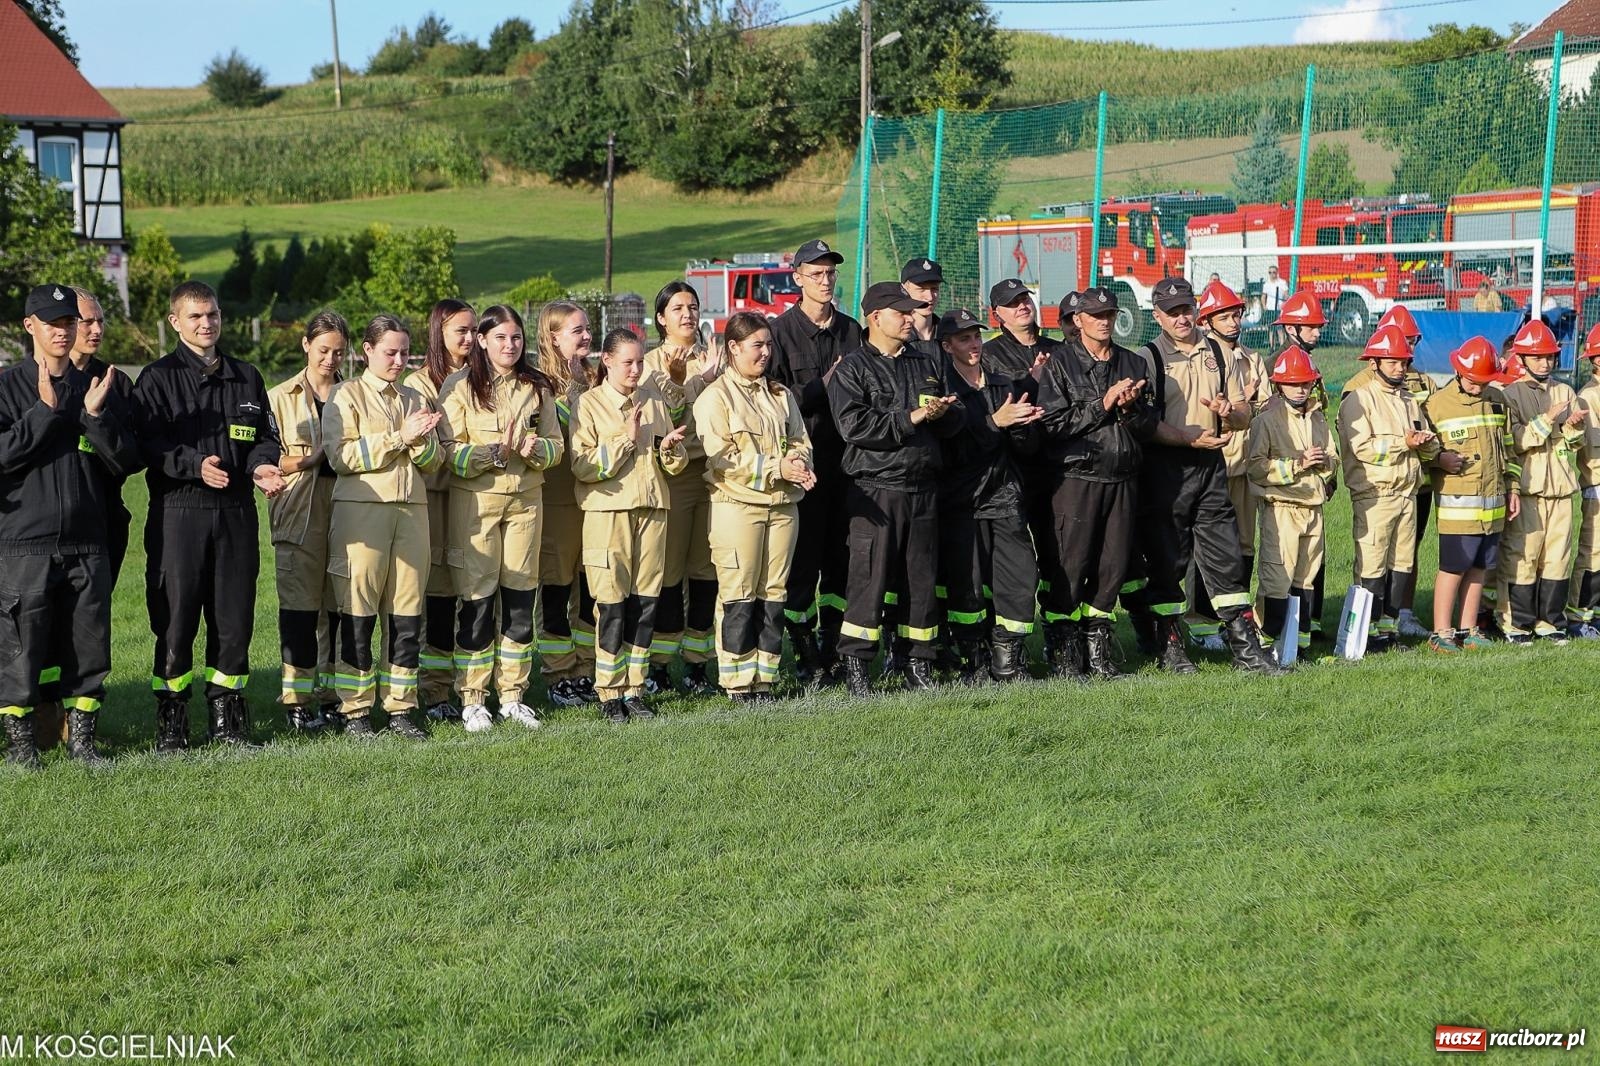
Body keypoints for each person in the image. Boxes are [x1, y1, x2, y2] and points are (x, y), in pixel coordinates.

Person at [134, 281, 285, 752]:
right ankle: (172, 723)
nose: (207, 324)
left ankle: (228, 720)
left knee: (234, 617)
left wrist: (261, 464)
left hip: (237, 513)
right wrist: (192, 466)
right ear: (176, 322)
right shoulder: (156, 379)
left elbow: (265, 435)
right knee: (175, 619)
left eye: (213, 315)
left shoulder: (247, 376)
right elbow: (146, 445)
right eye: (196, 317)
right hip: (180, 512)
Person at [0, 284, 138, 770]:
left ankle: (83, 745)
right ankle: (23, 750)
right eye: (52, 323)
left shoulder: (93, 387)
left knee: (89, 647)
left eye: (68, 322)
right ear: (29, 326)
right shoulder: (7, 387)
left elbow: (127, 462)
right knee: (20, 651)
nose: (64, 331)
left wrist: (96, 419)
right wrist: (43, 411)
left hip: (87, 539)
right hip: (23, 543)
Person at [1132, 277, 1282, 675]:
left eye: (1186, 309)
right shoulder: (1146, 358)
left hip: (1211, 466)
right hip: (1167, 470)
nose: (1182, 318)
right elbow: (1143, 422)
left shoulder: (1218, 349)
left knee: (1227, 559)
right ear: (1157, 316)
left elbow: (1242, 414)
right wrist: (1184, 438)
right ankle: (1170, 646)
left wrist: (1230, 413)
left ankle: (1246, 652)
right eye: (1172, 312)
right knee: (1169, 562)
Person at [826, 282, 964, 696]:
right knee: (867, 580)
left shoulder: (925, 361)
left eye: (912, 312)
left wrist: (942, 415)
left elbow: (952, 426)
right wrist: (915, 417)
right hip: (876, 492)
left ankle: (916, 663)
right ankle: (856, 666)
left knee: (920, 582)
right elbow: (856, 427)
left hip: (923, 488)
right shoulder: (852, 369)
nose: (911, 319)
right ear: (875, 318)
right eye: (901, 313)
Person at [1017, 287, 1157, 679]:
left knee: (1112, 567)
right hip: (1076, 479)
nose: (1104, 321)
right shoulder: (1059, 365)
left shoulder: (1133, 362)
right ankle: (1064, 649)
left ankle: (1099, 648)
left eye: (1109, 314)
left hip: (1123, 477)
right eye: (1095, 315)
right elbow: (1053, 424)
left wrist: (1130, 409)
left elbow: (1149, 426)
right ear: (1077, 321)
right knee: (1070, 565)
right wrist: (1103, 404)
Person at [439, 305, 563, 732]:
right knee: (476, 601)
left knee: (518, 600)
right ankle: (472, 698)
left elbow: (556, 446)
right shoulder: (459, 387)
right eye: (500, 338)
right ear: (482, 341)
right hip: (477, 506)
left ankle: (513, 695)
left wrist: (534, 451)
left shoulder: (536, 386)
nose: (510, 346)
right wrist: (488, 454)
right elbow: (449, 450)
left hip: (526, 503)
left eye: (516, 338)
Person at [322, 314, 444, 738]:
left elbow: (434, 463)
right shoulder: (346, 394)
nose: (397, 360)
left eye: (404, 353)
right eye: (389, 352)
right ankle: (354, 710)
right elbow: (340, 457)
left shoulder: (414, 398)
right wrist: (399, 438)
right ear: (366, 351)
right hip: (363, 511)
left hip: (412, 511)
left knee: (407, 613)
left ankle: (401, 708)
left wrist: (425, 444)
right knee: (359, 610)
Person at [693, 312, 816, 702]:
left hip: (782, 507)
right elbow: (722, 457)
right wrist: (776, 467)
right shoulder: (715, 398)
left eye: (768, 344)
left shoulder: (780, 394)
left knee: (774, 594)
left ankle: (765, 678)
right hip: (737, 507)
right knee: (739, 595)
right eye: (756, 345)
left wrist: (799, 464)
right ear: (733, 348)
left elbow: (800, 439)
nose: (766, 352)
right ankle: (736, 681)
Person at [569, 329, 689, 723]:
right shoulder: (589, 404)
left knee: (645, 603)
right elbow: (583, 466)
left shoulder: (653, 400)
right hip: (609, 515)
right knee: (611, 605)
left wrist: (671, 451)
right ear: (606, 360)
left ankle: (635, 688)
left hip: (653, 509)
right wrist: (624, 440)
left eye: (640, 362)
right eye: (628, 362)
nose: (636, 370)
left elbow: (666, 462)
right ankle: (608, 692)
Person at [765, 240, 861, 684]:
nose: (825, 281)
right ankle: (804, 653)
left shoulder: (851, 330)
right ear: (797, 277)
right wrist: (823, 385)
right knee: (802, 567)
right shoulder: (780, 334)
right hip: (804, 468)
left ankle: (835, 648)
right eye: (816, 274)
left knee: (842, 562)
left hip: (848, 466)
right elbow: (776, 406)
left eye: (830, 273)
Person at [937, 307, 1044, 682]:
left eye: (977, 336)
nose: (974, 344)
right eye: (964, 338)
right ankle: (974, 660)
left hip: (1005, 497)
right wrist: (995, 423)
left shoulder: (1004, 383)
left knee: (1019, 580)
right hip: (961, 501)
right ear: (947, 345)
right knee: (966, 589)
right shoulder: (943, 390)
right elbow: (952, 449)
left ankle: (1008, 659)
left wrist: (1024, 427)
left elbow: (1027, 449)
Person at [1335, 323, 1440, 650]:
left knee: (1401, 565)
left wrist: (1427, 445)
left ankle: (1388, 631)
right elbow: (1361, 447)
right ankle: (1361, 634)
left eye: (1404, 361)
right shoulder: (1358, 399)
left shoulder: (1410, 400)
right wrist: (1404, 443)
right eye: (1392, 361)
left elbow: (1425, 445)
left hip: (1407, 494)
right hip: (1375, 495)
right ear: (1373, 363)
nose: (1400, 367)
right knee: (1371, 566)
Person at [266, 311, 347, 732]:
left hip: (348, 514)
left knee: (339, 610)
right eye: (323, 350)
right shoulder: (279, 396)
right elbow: (264, 457)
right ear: (305, 345)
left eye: (338, 352)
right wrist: (308, 459)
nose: (330, 359)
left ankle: (333, 698)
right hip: (298, 514)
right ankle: (296, 701)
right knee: (299, 610)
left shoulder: (352, 395)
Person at [643, 281, 720, 695]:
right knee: (668, 572)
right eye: (677, 308)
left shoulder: (715, 356)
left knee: (705, 570)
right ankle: (658, 666)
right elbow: (666, 416)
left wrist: (710, 373)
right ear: (661, 318)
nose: (687, 314)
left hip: (711, 472)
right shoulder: (651, 362)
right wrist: (692, 381)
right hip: (670, 475)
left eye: (692, 306)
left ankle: (695, 665)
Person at [1190, 280, 1272, 650]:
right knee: (1207, 545)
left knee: (1243, 544)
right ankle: (1202, 623)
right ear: (1207, 320)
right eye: (1225, 315)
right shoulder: (1202, 358)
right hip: (1212, 462)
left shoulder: (1252, 359)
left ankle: (1236, 620)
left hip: (1244, 463)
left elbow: (1266, 408)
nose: (1234, 321)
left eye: (1237, 314)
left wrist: (1249, 404)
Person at [1421, 336, 1514, 653]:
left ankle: (1468, 628)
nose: (1478, 387)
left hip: (1494, 506)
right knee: (1453, 567)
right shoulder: (1436, 406)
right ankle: (1441, 632)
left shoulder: (1498, 401)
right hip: (1458, 507)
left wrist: (1511, 489)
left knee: (1480, 567)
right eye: (1474, 381)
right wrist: (1438, 460)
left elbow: (1510, 453)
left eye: (1484, 381)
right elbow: (1421, 451)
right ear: (1459, 372)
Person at [407, 298, 475, 722]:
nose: (469, 339)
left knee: (473, 591)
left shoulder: (484, 379)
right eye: (459, 332)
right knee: (437, 594)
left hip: (477, 497)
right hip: (435, 498)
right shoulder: (420, 384)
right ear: (438, 334)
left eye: (472, 331)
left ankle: (473, 684)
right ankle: (434, 690)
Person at [982, 279, 1061, 644]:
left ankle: (1061, 634)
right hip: (1009, 470)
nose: (1021, 307)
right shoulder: (989, 354)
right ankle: (997, 640)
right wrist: (1030, 382)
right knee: (1012, 560)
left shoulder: (1058, 349)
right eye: (1011, 304)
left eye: (1024, 299)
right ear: (996, 314)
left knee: (1057, 552)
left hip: (1056, 465)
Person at [1496, 319, 1582, 644]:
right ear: (1521, 358)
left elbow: (1576, 444)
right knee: (1523, 554)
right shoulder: (1510, 394)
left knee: (1557, 557)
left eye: (1549, 357)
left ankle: (1550, 621)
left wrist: (1573, 427)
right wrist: (1548, 420)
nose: (1545, 363)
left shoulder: (1565, 391)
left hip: (1561, 489)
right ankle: (1515, 623)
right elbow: (1516, 440)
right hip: (1529, 489)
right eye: (1537, 357)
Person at [1247, 346, 1336, 654]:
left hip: (1313, 507)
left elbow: (1333, 457)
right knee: (1277, 579)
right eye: (1293, 382)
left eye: (1306, 382)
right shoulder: (1266, 421)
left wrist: (1326, 465)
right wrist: (1297, 464)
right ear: (1278, 385)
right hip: (1281, 509)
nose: (1300, 388)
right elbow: (1256, 467)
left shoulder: (1318, 418)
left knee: (1306, 580)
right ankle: (1262, 642)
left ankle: (1296, 649)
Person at [534, 301, 601, 708]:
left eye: (587, 328)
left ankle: (587, 667)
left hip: (592, 501)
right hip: (557, 502)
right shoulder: (539, 383)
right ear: (553, 337)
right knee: (557, 591)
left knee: (591, 590)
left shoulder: (597, 376)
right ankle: (559, 672)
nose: (587, 336)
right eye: (577, 330)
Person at [1568, 323, 1600, 638]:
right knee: (1593, 552)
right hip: (1598, 483)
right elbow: (1592, 444)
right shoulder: (1589, 395)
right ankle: (1580, 617)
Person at [901, 257, 943, 351]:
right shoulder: (894, 337)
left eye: (934, 289)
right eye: (921, 289)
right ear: (904, 290)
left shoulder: (949, 335)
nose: (930, 297)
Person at [1261, 265, 1290, 347]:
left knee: (1280, 330)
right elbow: (1263, 297)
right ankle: (1272, 348)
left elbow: (1286, 295)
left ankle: (1282, 347)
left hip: (1279, 309)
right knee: (1271, 330)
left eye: (1273, 272)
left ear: (1277, 273)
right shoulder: (1266, 284)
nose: (1272, 274)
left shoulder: (1282, 282)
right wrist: (1264, 306)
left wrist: (1285, 304)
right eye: (1270, 272)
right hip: (1270, 309)